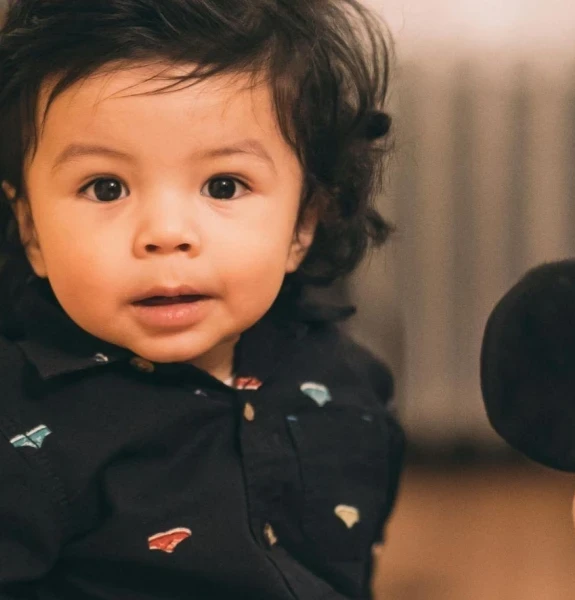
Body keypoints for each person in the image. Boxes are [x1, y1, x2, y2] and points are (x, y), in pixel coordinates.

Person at [0, 1, 404, 598]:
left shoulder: (347, 381)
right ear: (30, 228)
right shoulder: (21, 437)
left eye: (224, 185)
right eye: (105, 188)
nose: (166, 232)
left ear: (302, 223)